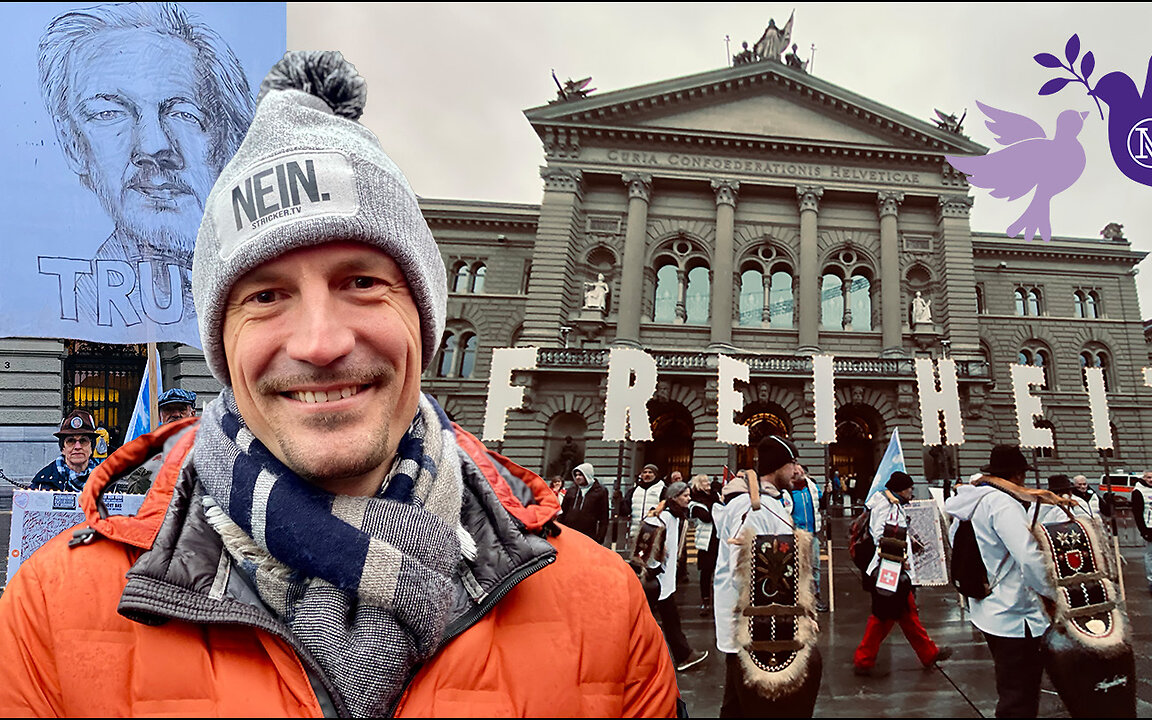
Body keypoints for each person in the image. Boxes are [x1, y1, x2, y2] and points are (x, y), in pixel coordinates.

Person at [0, 51, 677, 717]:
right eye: (266, 295)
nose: (320, 343)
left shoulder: (605, 610)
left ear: (422, 317)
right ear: (221, 341)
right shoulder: (50, 618)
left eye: (361, 282)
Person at [37, 2, 255, 328]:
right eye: (109, 113)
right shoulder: (85, 297)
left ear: (230, 138)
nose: (154, 146)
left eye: (185, 114)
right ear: (72, 144)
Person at [714, 436, 822, 717]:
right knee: (755, 705)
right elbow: (745, 570)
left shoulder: (767, 502)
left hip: (755, 624)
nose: (797, 471)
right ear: (779, 467)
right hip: (755, 628)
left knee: (736, 705)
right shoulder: (753, 507)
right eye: (792, 464)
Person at [945, 446, 1055, 718]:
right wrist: (1054, 593)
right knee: (1020, 696)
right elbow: (1028, 557)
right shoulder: (1003, 503)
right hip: (1017, 614)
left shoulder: (973, 501)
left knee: (1010, 687)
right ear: (1017, 476)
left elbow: (954, 541)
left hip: (988, 608)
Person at [854, 471, 949, 676]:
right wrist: (900, 558)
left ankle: (927, 652)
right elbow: (880, 534)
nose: (911, 492)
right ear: (900, 489)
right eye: (909, 488)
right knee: (885, 616)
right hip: (889, 569)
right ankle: (864, 659)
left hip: (893, 570)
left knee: (902, 614)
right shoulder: (885, 505)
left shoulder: (891, 503)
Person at [645, 481, 708, 672]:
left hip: (665, 577)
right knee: (659, 618)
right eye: (685, 496)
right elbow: (649, 541)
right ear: (674, 497)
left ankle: (683, 655)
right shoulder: (663, 516)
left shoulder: (676, 516)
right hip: (656, 578)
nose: (689, 499)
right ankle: (682, 655)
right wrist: (654, 567)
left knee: (668, 618)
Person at [104, 387, 200, 494]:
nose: (176, 414)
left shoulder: (207, 446)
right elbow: (133, 491)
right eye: (168, 409)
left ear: (192, 414)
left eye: (182, 409)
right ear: (160, 416)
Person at [30, 410, 102, 491]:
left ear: (91, 448)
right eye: (71, 441)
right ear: (63, 448)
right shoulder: (43, 482)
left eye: (83, 441)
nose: (77, 447)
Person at [789, 464, 826, 611]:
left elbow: (821, 505)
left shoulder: (812, 487)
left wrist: (828, 493)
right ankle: (798, 597)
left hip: (812, 533)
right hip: (797, 534)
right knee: (798, 567)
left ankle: (815, 596)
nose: (800, 473)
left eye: (802, 471)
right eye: (797, 471)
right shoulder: (788, 491)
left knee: (815, 566)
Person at [689, 473, 722, 616]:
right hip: (707, 540)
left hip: (719, 537)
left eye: (707, 481)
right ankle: (705, 600)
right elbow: (706, 517)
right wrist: (716, 503)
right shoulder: (696, 501)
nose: (707, 483)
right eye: (703, 481)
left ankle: (719, 600)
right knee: (706, 572)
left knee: (720, 570)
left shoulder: (715, 496)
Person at [562, 462, 609, 544]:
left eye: (580, 475)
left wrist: (600, 538)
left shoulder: (600, 491)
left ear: (587, 475)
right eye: (576, 475)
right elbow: (563, 512)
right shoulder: (571, 490)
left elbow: (604, 517)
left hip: (588, 535)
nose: (577, 477)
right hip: (569, 533)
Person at [629, 463, 665, 539]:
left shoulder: (662, 490)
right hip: (635, 529)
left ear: (655, 475)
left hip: (654, 530)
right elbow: (626, 507)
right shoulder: (634, 490)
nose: (647, 474)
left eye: (650, 472)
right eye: (645, 472)